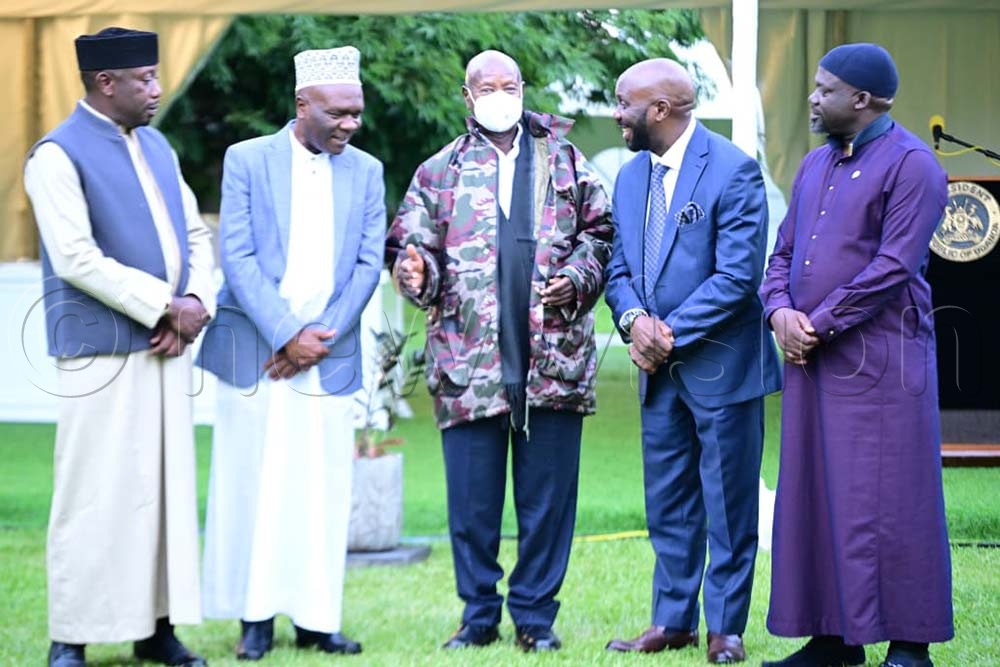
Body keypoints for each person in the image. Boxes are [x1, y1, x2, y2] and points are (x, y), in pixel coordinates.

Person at [386, 49, 612, 652]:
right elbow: (411, 249)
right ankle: (478, 616)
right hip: (469, 363)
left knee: (548, 503)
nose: (499, 95)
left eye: (508, 85)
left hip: (554, 360)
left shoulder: (564, 159)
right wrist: (415, 272)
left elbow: (601, 233)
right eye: (486, 88)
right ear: (468, 97)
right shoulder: (439, 171)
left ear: (523, 88)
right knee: (472, 505)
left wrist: (579, 276)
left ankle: (535, 618)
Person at [23, 27, 215, 667]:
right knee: (93, 495)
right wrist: (167, 304)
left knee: (162, 495)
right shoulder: (56, 155)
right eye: (145, 79)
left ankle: (155, 629)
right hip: (101, 355)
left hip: (167, 347)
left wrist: (198, 304)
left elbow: (195, 234)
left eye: (156, 76)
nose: (157, 89)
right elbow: (76, 258)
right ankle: (70, 636)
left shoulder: (157, 145)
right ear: (105, 83)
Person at [759, 43, 953, 667]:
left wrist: (816, 323)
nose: (812, 98)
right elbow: (782, 254)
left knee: (892, 499)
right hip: (812, 359)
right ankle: (831, 640)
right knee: (815, 491)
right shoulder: (814, 163)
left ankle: (910, 645)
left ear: (861, 99)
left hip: (882, 364)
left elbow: (893, 267)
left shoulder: (913, 165)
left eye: (824, 89)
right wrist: (779, 312)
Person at [196, 46, 384, 660]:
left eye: (357, 113)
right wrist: (285, 334)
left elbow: (367, 263)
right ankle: (254, 619)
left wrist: (318, 338)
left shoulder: (368, 170)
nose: (351, 124)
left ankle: (316, 619)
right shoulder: (247, 158)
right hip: (257, 350)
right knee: (249, 481)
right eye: (338, 113)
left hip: (329, 352)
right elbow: (237, 254)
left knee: (321, 488)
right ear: (302, 105)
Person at [603, 58, 782, 664]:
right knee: (669, 503)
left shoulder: (733, 170)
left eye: (623, 102)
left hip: (723, 370)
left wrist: (667, 333)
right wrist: (634, 321)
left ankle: (725, 628)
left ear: (659, 110)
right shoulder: (630, 177)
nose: (616, 113)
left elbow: (737, 277)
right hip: (658, 375)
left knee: (728, 505)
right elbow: (618, 268)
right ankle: (672, 621)